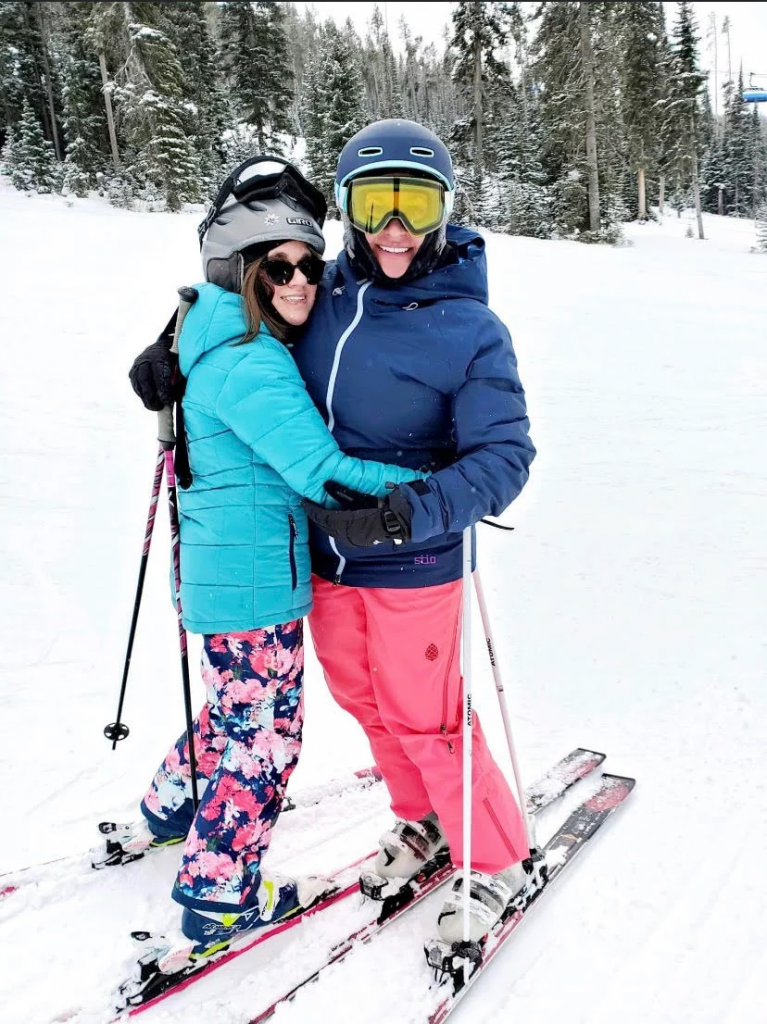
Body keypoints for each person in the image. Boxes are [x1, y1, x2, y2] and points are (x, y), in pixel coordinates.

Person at [130, 121, 536, 948]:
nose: (394, 227)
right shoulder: (322, 290)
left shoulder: (470, 329)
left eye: (414, 203)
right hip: (322, 555)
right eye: (374, 202)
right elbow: (245, 306)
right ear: (347, 209)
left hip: (414, 557)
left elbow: (504, 455)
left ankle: (492, 860)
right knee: (368, 703)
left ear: (445, 211)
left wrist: (416, 508)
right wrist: (172, 347)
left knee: (427, 718)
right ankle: (423, 817)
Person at [128, 157, 425, 955]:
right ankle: (220, 893)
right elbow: (320, 471)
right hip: (255, 583)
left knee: (235, 708)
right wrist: (432, 478)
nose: (299, 281)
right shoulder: (253, 358)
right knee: (267, 733)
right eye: (279, 268)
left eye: (309, 265)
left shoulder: (212, 324)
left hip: (229, 576)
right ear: (245, 272)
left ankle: (169, 807)